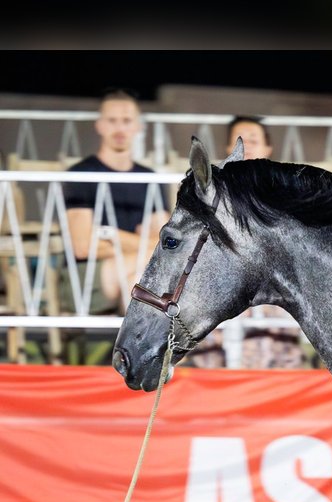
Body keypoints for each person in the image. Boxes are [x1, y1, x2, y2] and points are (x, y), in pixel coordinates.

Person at [187, 115, 306, 370]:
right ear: (230, 150)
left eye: (254, 140)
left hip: (273, 287)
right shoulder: (212, 194)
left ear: (268, 150)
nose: (248, 146)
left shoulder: (286, 193)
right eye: (240, 141)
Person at [63, 89, 169, 312]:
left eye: (127, 121)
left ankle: (132, 344)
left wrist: (111, 235)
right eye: (112, 121)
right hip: (87, 277)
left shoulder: (150, 178)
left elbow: (163, 244)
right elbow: (82, 247)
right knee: (147, 272)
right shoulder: (80, 173)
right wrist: (141, 242)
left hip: (136, 272)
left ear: (138, 126)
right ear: (100, 125)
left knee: (139, 278)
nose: (120, 128)